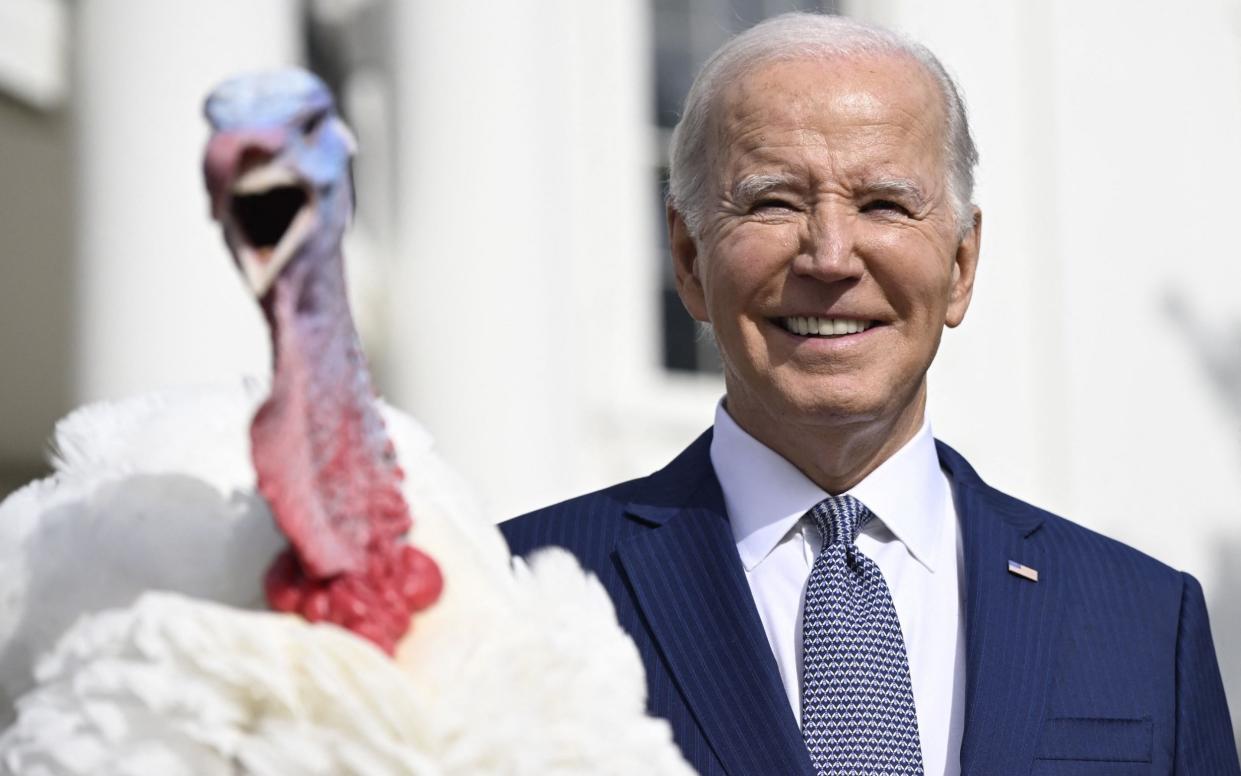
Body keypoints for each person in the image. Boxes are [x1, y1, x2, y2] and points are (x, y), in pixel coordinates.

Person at [501, 12, 1239, 776]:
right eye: (773, 202)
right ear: (688, 258)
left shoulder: (1143, 622)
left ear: (960, 265)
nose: (828, 256)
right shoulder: (506, 597)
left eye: (884, 204)